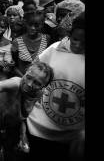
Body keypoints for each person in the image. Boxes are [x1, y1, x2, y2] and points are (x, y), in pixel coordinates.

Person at [26, 12, 85, 161]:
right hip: (37, 128)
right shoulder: (55, 49)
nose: (78, 45)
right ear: (69, 34)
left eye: (85, 42)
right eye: (75, 39)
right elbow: (34, 70)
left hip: (71, 135)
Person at [0, 62, 54, 161]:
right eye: (28, 77)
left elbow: (22, 115)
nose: (29, 84)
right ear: (25, 73)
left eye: (37, 83)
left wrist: (23, 135)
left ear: (44, 86)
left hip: (12, 126)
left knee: (11, 153)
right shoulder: (16, 84)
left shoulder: (39, 94)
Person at [11, 10, 50, 77]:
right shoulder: (17, 42)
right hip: (21, 78)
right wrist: (24, 78)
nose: (32, 28)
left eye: (36, 25)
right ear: (26, 24)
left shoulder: (47, 39)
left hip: (40, 80)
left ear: (42, 25)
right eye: (30, 24)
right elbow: (13, 66)